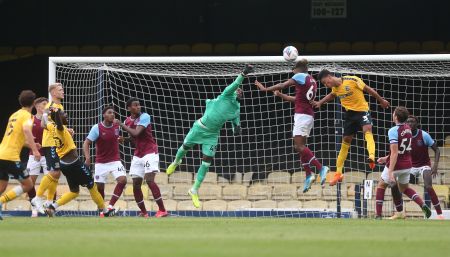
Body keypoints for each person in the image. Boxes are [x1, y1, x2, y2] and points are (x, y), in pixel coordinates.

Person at [166, 65, 254, 208]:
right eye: (238, 89)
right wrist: (244, 73)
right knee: (185, 147)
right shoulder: (226, 94)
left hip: (212, 135)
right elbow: (236, 83)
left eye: (241, 91)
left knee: (206, 162)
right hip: (200, 127)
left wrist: (237, 129)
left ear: (242, 96)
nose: (239, 90)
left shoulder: (236, 111)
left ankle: (194, 190)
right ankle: (176, 162)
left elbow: (235, 128)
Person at [254, 59, 329, 193]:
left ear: (297, 69)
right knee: (300, 147)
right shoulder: (312, 80)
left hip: (302, 116)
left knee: (299, 146)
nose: (292, 72)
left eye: (293, 69)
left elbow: (283, 84)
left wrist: (265, 89)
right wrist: (281, 95)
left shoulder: (299, 76)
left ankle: (320, 168)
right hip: (308, 115)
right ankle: (308, 175)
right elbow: (298, 99)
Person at [313, 69, 390, 186]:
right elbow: (332, 95)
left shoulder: (352, 80)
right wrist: (320, 102)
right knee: (346, 141)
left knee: (367, 129)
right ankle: (338, 173)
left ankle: (371, 157)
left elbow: (369, 90)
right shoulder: (335, 88)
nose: (326, 85)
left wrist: (381, 100)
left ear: (329, 77)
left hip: (362, 111)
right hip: (350, 115)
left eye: (325, 82)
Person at [43, 109, 113, 217]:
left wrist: (44, 114)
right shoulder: (59, 128)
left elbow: (44, 123)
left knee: (74, 191)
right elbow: (59, 125)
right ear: (58, 118)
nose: (66, 114)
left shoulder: (52, 127)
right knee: (91, 185)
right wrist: (56, 112)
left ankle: (53, 207)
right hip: (74, 164)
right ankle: (105, 210)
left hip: (64, 164)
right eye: (63, 114)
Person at [375, 107, 431, 219]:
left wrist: (390, 171)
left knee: (381, 186)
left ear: (395, 117)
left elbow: (395, 152)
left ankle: (378, 215)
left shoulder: (393, 130)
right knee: (404, 188)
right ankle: (422, 204)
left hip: (396, 165)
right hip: (407, 165)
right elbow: (403, 149)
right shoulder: (408, 129)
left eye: (393, 113)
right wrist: (386, 158)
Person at [116, 98, 168, 218]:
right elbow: (134, 139)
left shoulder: (145, 116)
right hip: (138, 154)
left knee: (149, 180)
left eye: (139, 105)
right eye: (135, 105)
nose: (138, 107)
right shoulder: (128, 121)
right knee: (135, 184)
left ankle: (162, 210)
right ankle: (144, 212)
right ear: (129, 108)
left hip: (150, 152)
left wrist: (120, 124)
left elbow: (136, 133)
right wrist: (124, 140)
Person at [388, 115, 443, 219]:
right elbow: (397, 151)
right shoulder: (403, 135)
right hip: (410, 166)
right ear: (405, 123)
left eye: (412, 122)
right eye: (408, 122)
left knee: (428, 186)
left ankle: (440, 214)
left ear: (417, 124)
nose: (410, 124)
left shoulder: (424, 135)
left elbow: (437, 150)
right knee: (396, 186)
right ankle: (399, 211)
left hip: (424, 165)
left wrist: (435, 166)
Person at [0, 90, 41, 220]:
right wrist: (35, 150)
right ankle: (1, 202)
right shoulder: (27, 116)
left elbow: (17, 138)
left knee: (2, 186)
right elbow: (26, 130)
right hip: (10, 157)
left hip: (1, 153)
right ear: (34, 103)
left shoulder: (14, 114)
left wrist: (31, 145)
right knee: (28, 185)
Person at [83, 106, 127, 214]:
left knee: (123, 180)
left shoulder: (117, 125)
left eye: (113, 113)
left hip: (115, 160)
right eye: (110, 112)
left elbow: (117, 138)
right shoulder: (97, 128)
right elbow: (86, 143)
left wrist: (121, 140)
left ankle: (110, 205)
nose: (113, 114)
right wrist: (87, 158)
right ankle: (102, 210)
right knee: (100, 188)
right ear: (104, 115)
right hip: (101, 162)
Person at [31, 83, 67, 213]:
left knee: (56, 174)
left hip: (56, 142)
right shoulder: (50, 106)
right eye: (60, 90)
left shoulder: (59, 106)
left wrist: (67, 130)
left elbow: (58, 125)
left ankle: (49, 201)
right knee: (55, 172)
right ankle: (38, 198)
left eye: (62, 89)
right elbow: (42, 124)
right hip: (50, 142)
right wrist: (55, 127)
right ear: (53, 93)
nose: (63, 91)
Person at [26, 97, 50, 217]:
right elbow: (25, 137)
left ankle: (50, 208)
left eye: (47, 104)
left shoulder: (49, 119)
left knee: (51, 181)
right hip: (34, 155)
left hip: (48, 155)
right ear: (37, 106)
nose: (46, 106)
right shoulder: (30, 119)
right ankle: (34, 208)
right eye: (44, 104)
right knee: (30, 183)